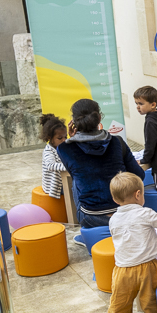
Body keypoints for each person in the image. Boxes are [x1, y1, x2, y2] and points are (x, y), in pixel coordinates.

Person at [57, 99, 145, 234]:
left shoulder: (64, 149)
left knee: (76, 180)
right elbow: (139, 175)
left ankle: (86, 234)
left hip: (92, 217)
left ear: (74, 122)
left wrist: (71, 139)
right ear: (99, 118)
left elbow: (78, 173)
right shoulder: (117, 142)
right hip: (124, 212)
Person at [107, 172, 157, 313]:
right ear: (138, 195)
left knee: (120, 301)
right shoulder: (145, 213)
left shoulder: (113, 219)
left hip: (123, 269)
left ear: (115, 199)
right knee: (150, 296)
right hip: (147, 266)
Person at [39, 114, 67, 199]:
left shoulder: (62, 147)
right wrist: (68, 166)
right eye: (60, 138)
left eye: (65, 137)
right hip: (54, 187)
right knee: (76, 190)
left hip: (61, 182)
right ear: (49, 138)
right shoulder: (48, 151)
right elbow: (51, 165)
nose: (64, 140)